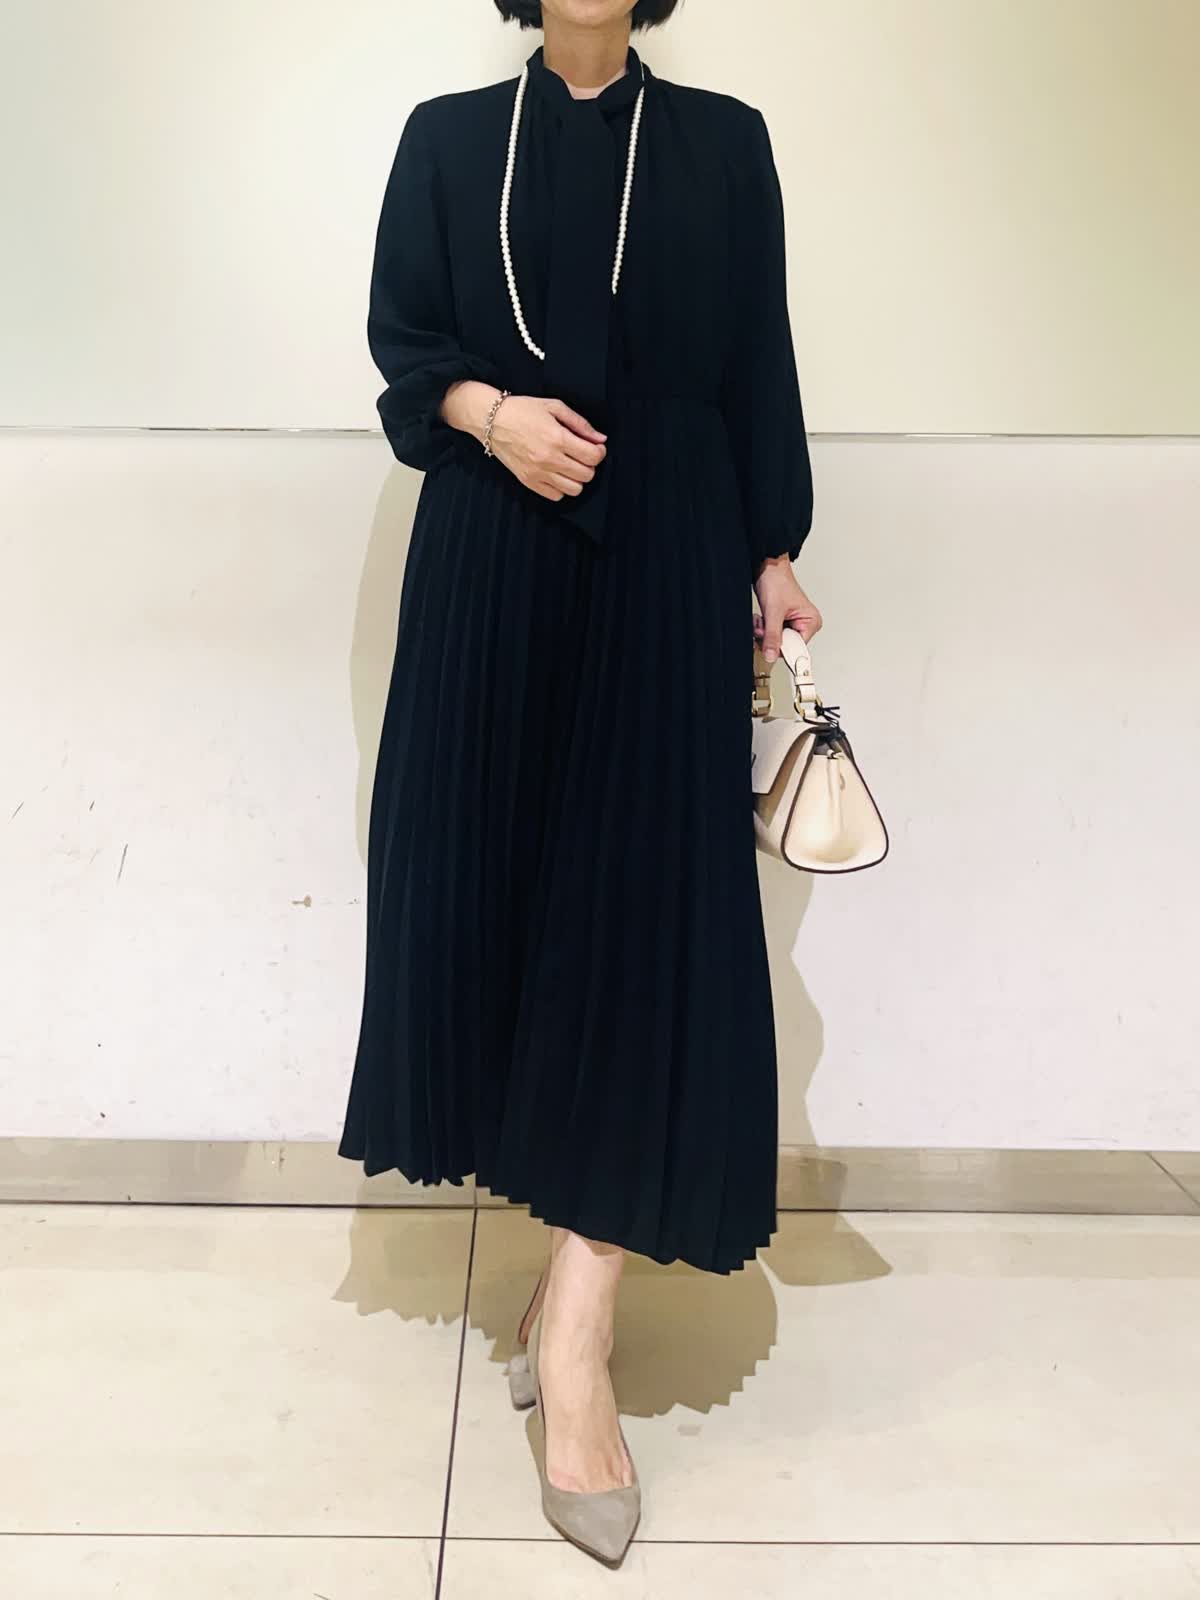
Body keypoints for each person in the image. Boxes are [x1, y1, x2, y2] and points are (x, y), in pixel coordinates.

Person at [338, 0, 822, 1567]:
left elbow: (756, 358)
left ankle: (579, 1334)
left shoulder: (723, 145)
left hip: (670, 547)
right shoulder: (448, 141)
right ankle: (556, 1264)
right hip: (492, 547)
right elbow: (407, 342)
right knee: (491, 897)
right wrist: (489, 414)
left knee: (642, 920)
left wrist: (771, 549)